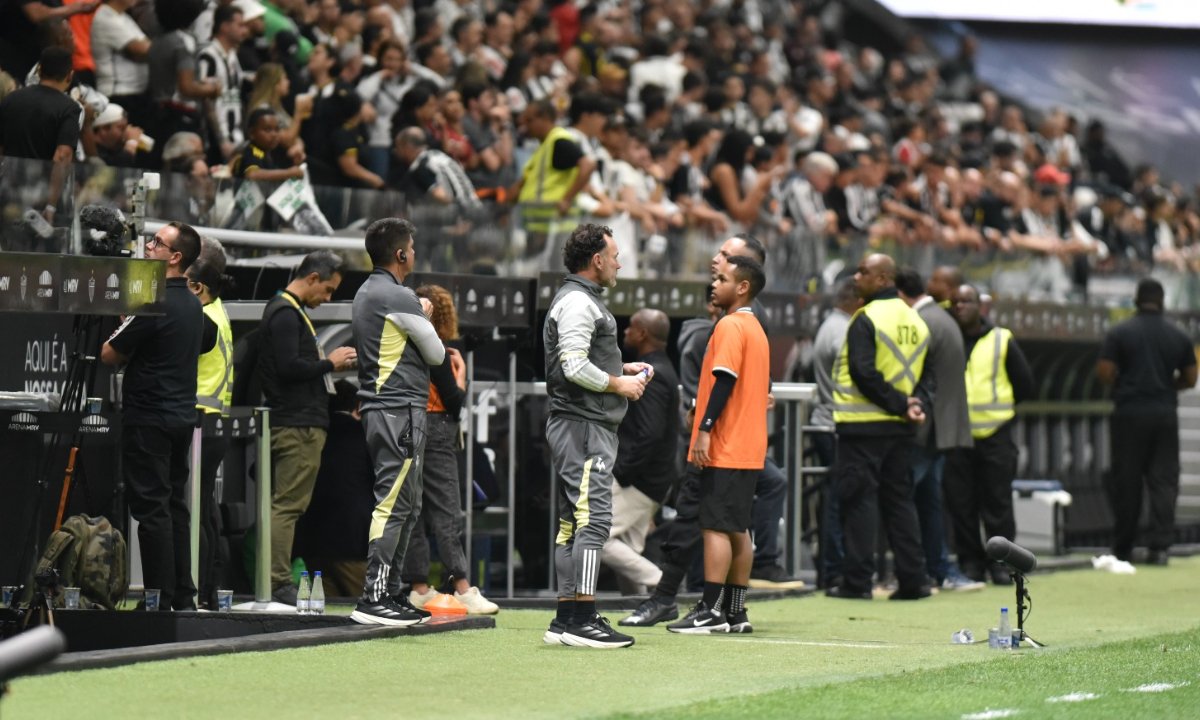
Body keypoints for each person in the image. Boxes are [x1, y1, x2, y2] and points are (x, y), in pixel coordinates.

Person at [542, 223, 650, 649]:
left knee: (572, 523)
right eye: (615, 255)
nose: (619, 262)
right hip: (585, 427)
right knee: (593, 520)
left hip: (580, 424)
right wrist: (618, 384)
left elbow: (575, 361)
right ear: (597, 260)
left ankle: (565, 617)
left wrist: (621, 369)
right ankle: (582, 619)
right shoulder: (578, 303)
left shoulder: (577, 300)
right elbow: (571, 366)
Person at [101, 221, 212, 611]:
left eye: (156, 243)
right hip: (180, 416)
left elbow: (109, 354)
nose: (147, 247)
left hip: (149, 417)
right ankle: (182, 596)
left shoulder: (154, 299)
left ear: (175, 257)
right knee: (174, 508)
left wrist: (124, 322)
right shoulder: (194, 304)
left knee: (151, 511)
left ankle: (158, 601)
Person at [349, 218, 447, 626]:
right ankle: (374, 596)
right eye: (412, 247)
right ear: (401, 254)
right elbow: (437, 354)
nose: (415, 254)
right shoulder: (398, 296)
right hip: (398, 410)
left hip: (386, 410)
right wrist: (423, 311)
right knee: (393, 504)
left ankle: (390, 591)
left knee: (407, 504)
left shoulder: (367, 290)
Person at [666, 254, 770, 634]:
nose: (714, 284)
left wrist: (705, 429)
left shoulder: (729, 325)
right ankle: (736, 612)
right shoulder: (756, 328)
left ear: (742, 287)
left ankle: (709, 610)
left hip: (726, 443)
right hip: (750, 445)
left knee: (714, 528)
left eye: (722, 279)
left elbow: (723, 382)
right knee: (738, 529)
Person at [825, 253, 932, 601]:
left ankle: (857, 583)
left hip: (862, 426)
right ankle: (914, 581)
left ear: (884, 279)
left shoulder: (866, 318)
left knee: (860, 504)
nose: (857, 277)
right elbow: (925, 376)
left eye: (864, 271)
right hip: (900, 429)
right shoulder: (916, 322)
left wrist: (900, 404)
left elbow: (863, 372)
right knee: (900, 503)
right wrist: (912, 404)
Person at [258, 250, 357, 605]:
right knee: (287, 506)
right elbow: (288, 368)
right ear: (312, 278)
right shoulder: (286, 313)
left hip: (298, 420)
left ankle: (275, 578)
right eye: (328, 290)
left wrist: (324, 367)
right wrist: (328, 363)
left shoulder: (287, 311)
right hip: (296, 424)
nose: (327, 298)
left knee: (286, 505)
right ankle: (276, 581)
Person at [403, 284, 499, 615]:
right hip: (437, 426)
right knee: (447, 510)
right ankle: (461, 588)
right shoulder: (439, 350)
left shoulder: (404, 345)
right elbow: (455, 403)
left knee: (412, 510)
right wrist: (463, 377)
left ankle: (418, 588)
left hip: (405, 425)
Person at [894, 269, 983, 592]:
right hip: (942, 429)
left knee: (900, 499)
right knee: (929, 502)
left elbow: (917, 376)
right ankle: (939, 569)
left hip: (926, 429)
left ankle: (911, 572)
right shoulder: (941, 319)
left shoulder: (923, 322)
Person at [1097, 279, 1196, 565]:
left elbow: (1104, 372)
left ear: (1136, 300)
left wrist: (1126, 384)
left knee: (1127, 480)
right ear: (1163, 301)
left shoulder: (1120, 333)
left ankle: (1124, 547)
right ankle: (1160, 547)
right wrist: (1166, 386)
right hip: (1164, 413)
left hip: (1129, 413)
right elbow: (1191, 377)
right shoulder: (1178, 336)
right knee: (1163, 481)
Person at [947, 283, 1035, 585]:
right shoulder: (947, 339)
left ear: (980, 306)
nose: (960, 307)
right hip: (958, 436)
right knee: (962, 504)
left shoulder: (1001, 339)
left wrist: (1003, 413)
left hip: (996, 434)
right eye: (955, 302)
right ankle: (970, 564)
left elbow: (1025, 384)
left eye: (967, 301)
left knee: (997, 503)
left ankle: (1001, 563)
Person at [601, 308, 679, 595]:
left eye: (631, 327)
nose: (625, 332)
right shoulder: (660, 367)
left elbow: (650, 433)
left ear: (643, 333)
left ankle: (662, 583)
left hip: (639, 479)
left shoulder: (651, 374)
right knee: (628, 548)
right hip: (651, 479)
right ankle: (639, 605)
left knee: (595, 538)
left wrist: (622, 471)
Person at [186, 238, 233, 610]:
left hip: (200, 421)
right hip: (212, 422)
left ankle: (201, 592)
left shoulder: (204, 318)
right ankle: (209, 592)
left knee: (196, 511)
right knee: (206, 510)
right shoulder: (219, 310)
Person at [810, 277, 859, 589]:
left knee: (834, 498)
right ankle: (834, 570)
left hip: (826, 420)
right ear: (854, 299)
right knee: (839, 501)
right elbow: (853, 378)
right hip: (833, 423)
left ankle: (832, 568)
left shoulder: (832, 325)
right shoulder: (842, 330)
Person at [0, 47, 81, 224]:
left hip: (8, 193)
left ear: (39, 70)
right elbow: (62, 156)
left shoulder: (10, 100)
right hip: (41, 198)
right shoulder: (69, 109)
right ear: (70, 75)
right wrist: (51, 206)